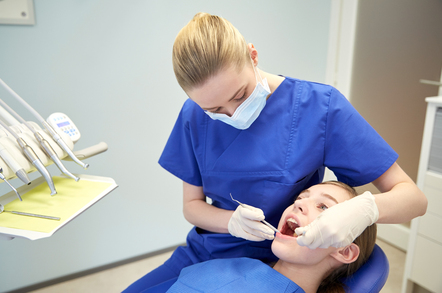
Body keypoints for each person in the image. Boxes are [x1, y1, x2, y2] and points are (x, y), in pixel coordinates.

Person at [123, 12, 427, 292]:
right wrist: (230, 222)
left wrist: (363, 210)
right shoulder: (192, 115)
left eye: (239, 95)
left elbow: (414, 199)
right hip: (207, 251)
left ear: (253, 56)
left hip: (281, 261)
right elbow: (192, 206)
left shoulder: (320, 108)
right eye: (214, 110)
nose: (232, 114)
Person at [155, 181, 377, 293]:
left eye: (323, 206)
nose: (299, 203)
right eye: (301, 197)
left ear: (344, 250)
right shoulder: (241, 265)